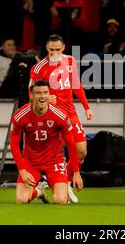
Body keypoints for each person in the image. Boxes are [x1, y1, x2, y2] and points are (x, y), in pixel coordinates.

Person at [29, 34, 94, 203]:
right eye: (51, 50)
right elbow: (31, 94)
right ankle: (56, 184)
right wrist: (44, 99)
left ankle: (66, 181)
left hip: (70, 113)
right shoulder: (38, 68)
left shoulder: (70, 61)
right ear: (46, 48)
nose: (54, 53)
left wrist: (86, 107)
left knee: (81, 151)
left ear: (63, 47)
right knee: (53, 154)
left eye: (57, 49)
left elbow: (76, 85)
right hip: (52, 116)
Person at [10, 79, 83, 204]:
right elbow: (14, 144)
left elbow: (71, 144)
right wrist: (22, 169)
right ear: (32, 95)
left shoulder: (60, 115)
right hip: (30, 162)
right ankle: (39, 192)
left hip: (54, 161)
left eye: (45, 92)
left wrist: (76, 172)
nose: (42, 96)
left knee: (60, 200)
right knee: (21, 200)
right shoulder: (20, 115)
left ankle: (62, 190)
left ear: (49, 94)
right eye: (38, 93)